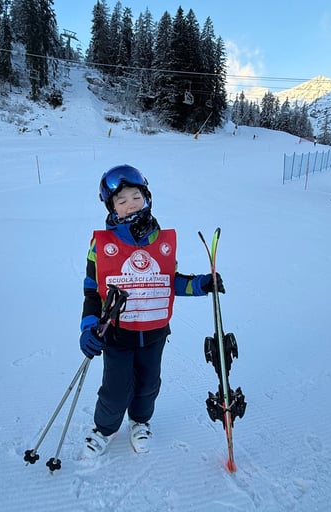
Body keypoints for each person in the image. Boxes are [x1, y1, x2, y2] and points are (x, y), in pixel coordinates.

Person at [79, 164, 224, 460]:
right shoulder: (101, 244)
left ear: (147, 197)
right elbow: (93, 289)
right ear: (111, 207)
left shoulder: (161, 242)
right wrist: (88, 325)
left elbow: (169, 282)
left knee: (148, 385)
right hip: (117, 334)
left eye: (136, 196)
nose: (131, 204)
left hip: (155, 333)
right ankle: (104, 429)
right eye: (122, 200)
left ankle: (140, 422)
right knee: (116, 388)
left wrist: (201, 284)